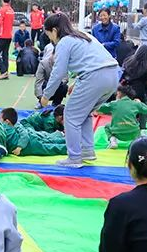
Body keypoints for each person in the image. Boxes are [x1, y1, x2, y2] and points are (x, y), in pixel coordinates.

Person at [40, 12, 119, 167]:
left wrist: (45, 95)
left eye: (49, 34)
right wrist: (77, 82)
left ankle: (74, 157)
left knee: (70, 115)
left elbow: (58, 72)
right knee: (84, 113)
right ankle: (87, 150)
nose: (50, 38)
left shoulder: (64, 42)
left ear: (55, 31)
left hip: (95, 77)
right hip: (113, 75)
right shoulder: (83, 35)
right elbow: (92, 60)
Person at [121, 44, 147, 132]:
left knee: (126, 109)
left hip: (126, 89)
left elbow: (122, 75)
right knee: (142, 110)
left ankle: (125, 127)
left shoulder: (129, 61)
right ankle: (141, 129)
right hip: (139, 92)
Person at [0, 108, 67, 157]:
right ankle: (72, 144)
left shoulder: (6, 127)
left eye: (0, 119)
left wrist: (20, 147)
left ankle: (73, 148)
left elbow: (24, 134)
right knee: (51, 141)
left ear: (7, 121)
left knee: (52, 147)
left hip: (30, 143)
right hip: (32, 137)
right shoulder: (14, 125)